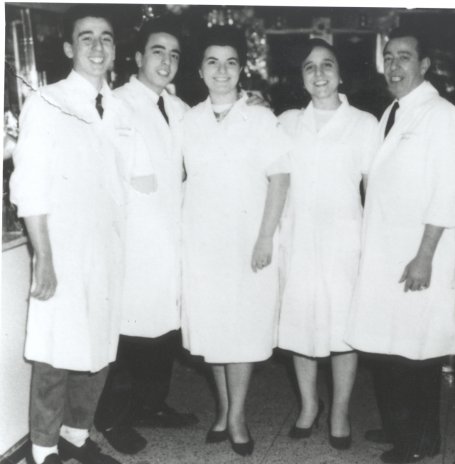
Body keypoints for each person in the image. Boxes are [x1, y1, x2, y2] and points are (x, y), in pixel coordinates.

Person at [9, 5, 154, 464]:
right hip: (62, 248)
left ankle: (75, 436)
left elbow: (142, 181)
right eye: (86, 37)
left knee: (98, 347)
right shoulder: (46, 102)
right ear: (70, 48)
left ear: (115, 49)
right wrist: (45, 257)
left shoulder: (119, 108)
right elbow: (28, 186)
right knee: (56, 351)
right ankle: (43, 449)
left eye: (106, 38)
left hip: (107, 250)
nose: (97, 46)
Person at [346, 26, 455, 464]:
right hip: (387, 251)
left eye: (405, 57)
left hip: (418, 255)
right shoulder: (394, 112)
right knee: (392, 348)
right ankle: (402, 427)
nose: (395, 66)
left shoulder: (443, 116)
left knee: (416, 354)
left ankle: (420, 443)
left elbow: (448, 190)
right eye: (390, 57)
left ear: (424, 66)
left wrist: (424, 256)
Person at [180, 26, 290, 457]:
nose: (221, 71)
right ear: (200, 70)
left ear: (241, 69)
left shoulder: (261, 118)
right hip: (203, 244)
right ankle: (223, 410)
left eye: (230, 62)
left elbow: (280, 179)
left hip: (249, 243)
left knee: (242, 329)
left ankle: (239, 415)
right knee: (213, 329)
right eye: (212, 62)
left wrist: (265, 238)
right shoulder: (188, 120)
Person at [92, 17, 197, 456]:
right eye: (158, 51)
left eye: (174, 54)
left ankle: (152, 405)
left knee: (162, 333)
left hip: (169, 240)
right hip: (133, 243)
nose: (167, 61)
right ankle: (113, 419)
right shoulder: (116, 105)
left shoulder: (176, 107)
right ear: (137, 58)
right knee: (129, 335)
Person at [277, 38, 379, 450]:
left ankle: (339, 412)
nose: (318, 74)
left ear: (340, 72)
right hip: (297, 239)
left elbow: (375, 191)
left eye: (326, 65)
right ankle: (307, 406)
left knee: (342, 333)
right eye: (309, 67)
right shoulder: (284, 122)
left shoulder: (364, 124)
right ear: (300, 76)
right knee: (300, 328)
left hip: (344, 243)